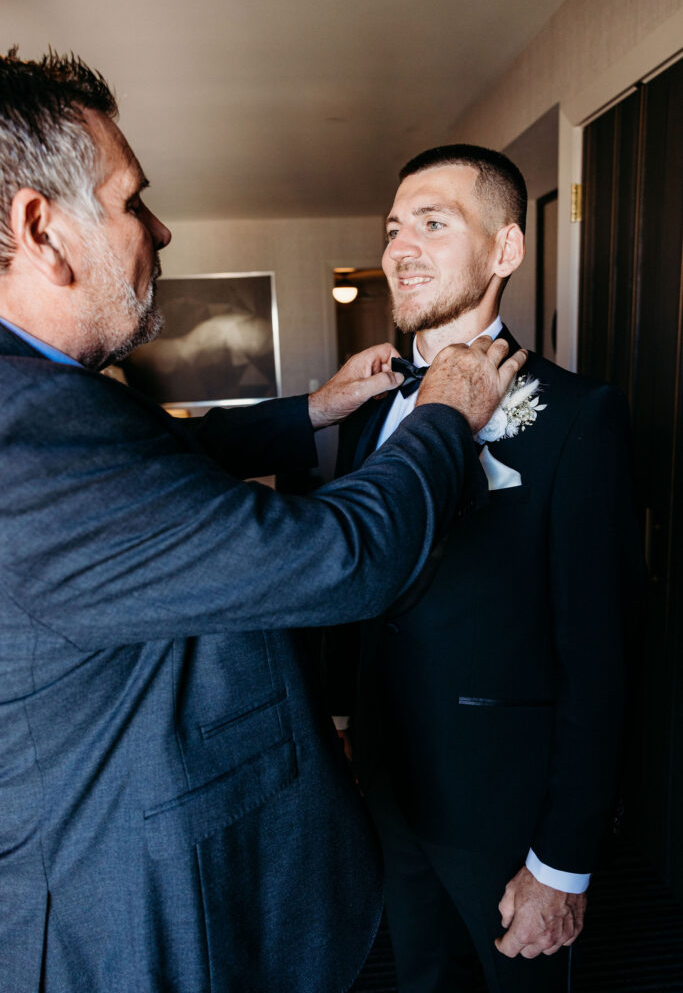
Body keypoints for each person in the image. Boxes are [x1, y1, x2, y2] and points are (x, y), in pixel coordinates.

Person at [0, 54, 527, 993]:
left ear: (504, 250)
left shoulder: (44, 402)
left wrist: (309, 411)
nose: (160, 228)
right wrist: (445, 415)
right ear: (40, 229)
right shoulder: (29, 426)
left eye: (430, 224)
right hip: (133, 918)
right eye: (132, 202)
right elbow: (342, 558)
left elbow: (153, 472)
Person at [328, 144, 636, 992]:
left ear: (505, 250)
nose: (400, 248)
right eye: (394, 228)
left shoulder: (580, 417)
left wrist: (562, 863)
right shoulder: (367, 411)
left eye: (433, 223)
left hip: (506, 810)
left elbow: (601, 656)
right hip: (390, 794)